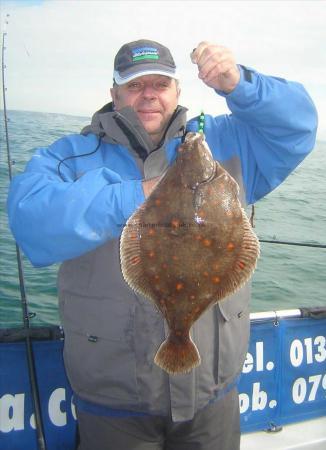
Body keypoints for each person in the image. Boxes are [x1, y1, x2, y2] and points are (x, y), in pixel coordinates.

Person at [7, 39, 317, 450]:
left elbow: (297, 126)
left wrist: (238, 83)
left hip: (213, 398)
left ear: (177, 92)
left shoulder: (226, 145)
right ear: (114, 93)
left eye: (160, 84)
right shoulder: (70, 157)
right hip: (114, 404)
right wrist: (140, 195)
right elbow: (29, 219)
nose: (149, 94)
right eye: (135, 86)